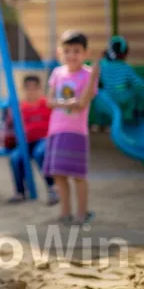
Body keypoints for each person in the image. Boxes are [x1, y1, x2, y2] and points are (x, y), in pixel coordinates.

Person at [43, 30, 100, 226]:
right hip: (56, 130)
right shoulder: (57, 73)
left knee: (77, 175)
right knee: (59, 175)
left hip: (77, 132)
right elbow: (49, 101)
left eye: (76, 51)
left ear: (85, 53)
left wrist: (67, 102)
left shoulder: (88, 74)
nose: (71, 55)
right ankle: (65, 213)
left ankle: (81, 214)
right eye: (67, 50)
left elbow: (83, 103)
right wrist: (69, 103)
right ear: (60, 52)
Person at [6, 75, 58, 205]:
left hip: (43, 139)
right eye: (28, 88)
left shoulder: (46, 104)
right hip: (26, 142)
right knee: (15, 158)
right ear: (23, 89)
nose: (31, 91)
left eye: (34, 88)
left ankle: (52, 188)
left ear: (40, 89)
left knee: (40, 153)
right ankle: (20, 192)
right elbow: (11, 124)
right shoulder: (20, 107)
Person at [99, 35, 144, 122]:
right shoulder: (125, 67)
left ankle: (102, 123)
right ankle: (128, 118)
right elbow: (138, 84)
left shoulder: (102, 65)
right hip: (122, 98)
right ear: (125, 52)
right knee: (135, 93)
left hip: (106, 97)